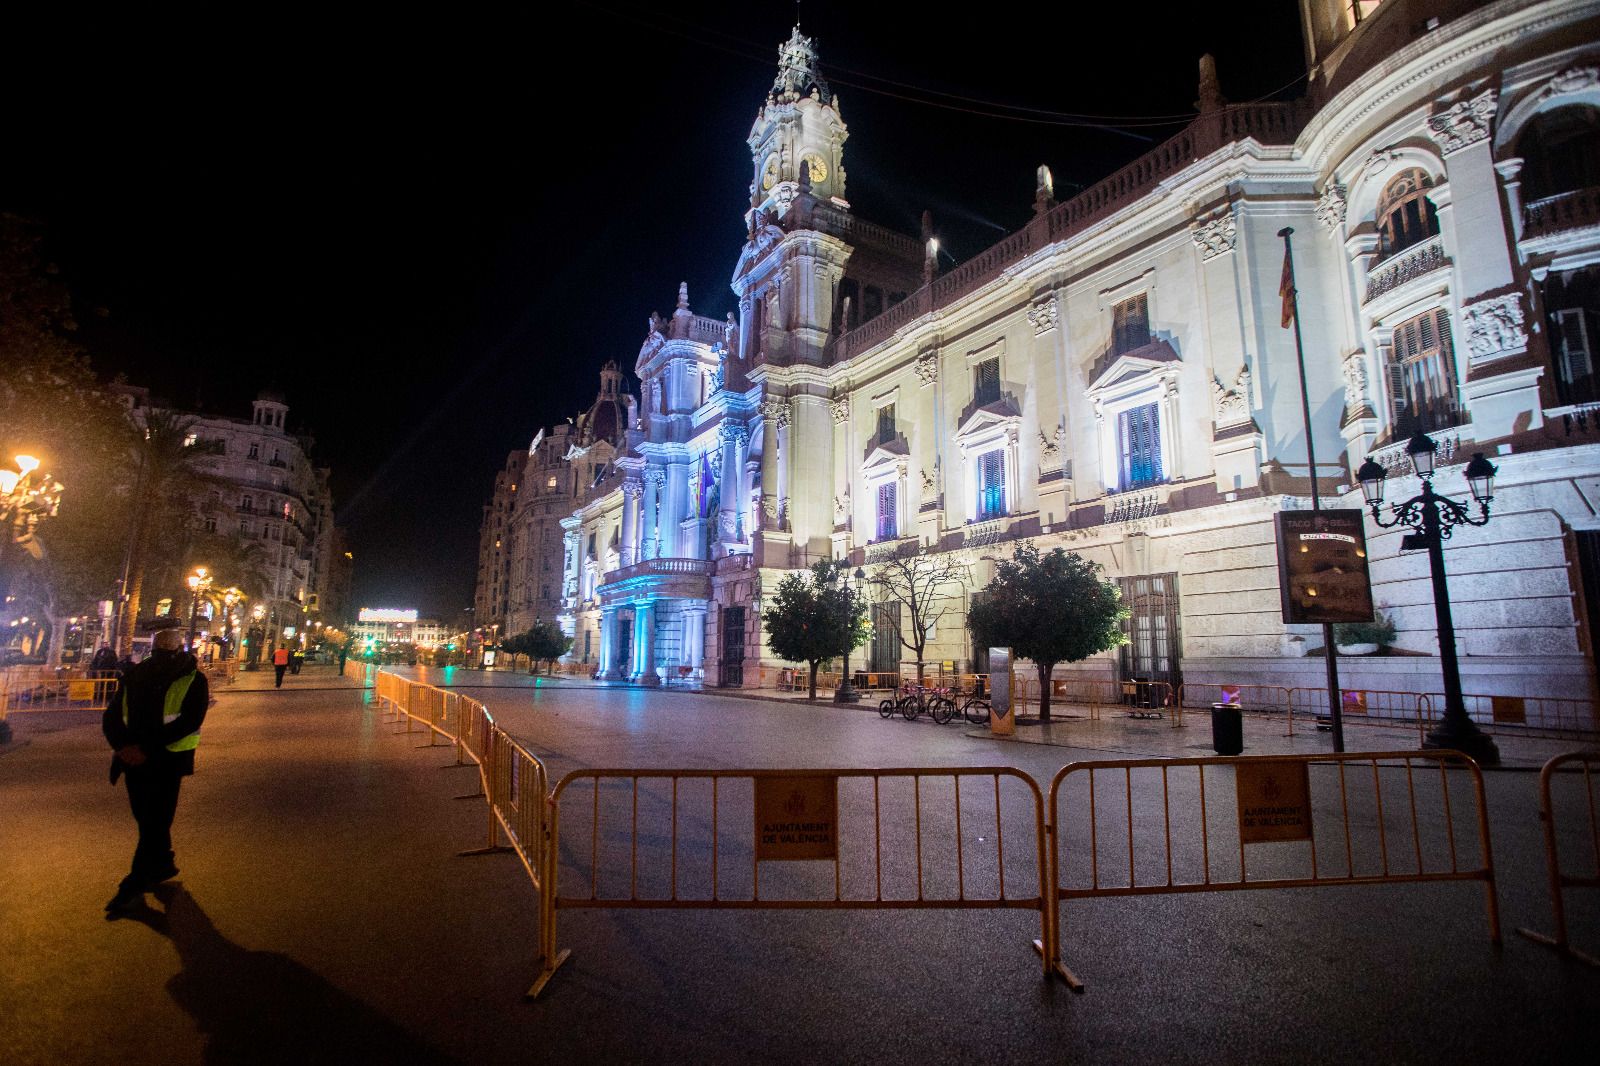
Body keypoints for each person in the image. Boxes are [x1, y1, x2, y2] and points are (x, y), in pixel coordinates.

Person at [101, 627, 208, 912]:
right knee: (148, 820)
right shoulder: (135, 676)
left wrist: (138, 749)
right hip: (136, 761)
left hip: (167, 763)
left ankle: (133, 884)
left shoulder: (192, 680)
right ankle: (162, 863)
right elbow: (113, 715)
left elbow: (189, 721)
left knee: (153, 823)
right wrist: (124, 747)